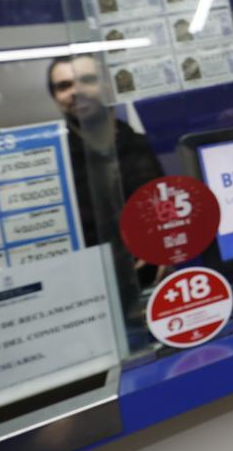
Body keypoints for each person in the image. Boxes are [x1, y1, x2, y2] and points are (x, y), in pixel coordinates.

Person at [47, 54, 164, 285]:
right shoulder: (55, 158)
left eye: (87, 80)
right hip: (87, 282)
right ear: (55, 97)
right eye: (64, 86)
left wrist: (164, 253)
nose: (75, 91)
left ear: (108, 87)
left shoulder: (138, 144)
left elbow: (161, 209)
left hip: (154, 278)